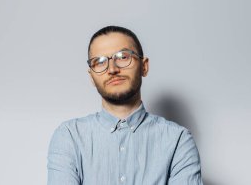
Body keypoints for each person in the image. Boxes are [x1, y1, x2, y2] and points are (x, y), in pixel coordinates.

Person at [47, 26, 203, 185]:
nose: (112, 69)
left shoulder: (178, 140)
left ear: (144, 66)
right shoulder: (69, 136)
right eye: (99, 62)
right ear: (92, 77)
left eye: (123, 57)